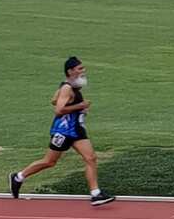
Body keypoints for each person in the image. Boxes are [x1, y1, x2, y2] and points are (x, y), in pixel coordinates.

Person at [9, 56, 115, 206]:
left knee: (91, 158)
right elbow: (58, 110)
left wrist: (75, 106)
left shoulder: (71, 87)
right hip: (63, 131)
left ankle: (96, 194)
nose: (83, 71)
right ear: (70, 71)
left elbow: (54, 100)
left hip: (76, 130)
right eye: (80, 69)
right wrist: (80, 106)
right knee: (49, 162)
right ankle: (18, 177)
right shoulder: (67, 88)